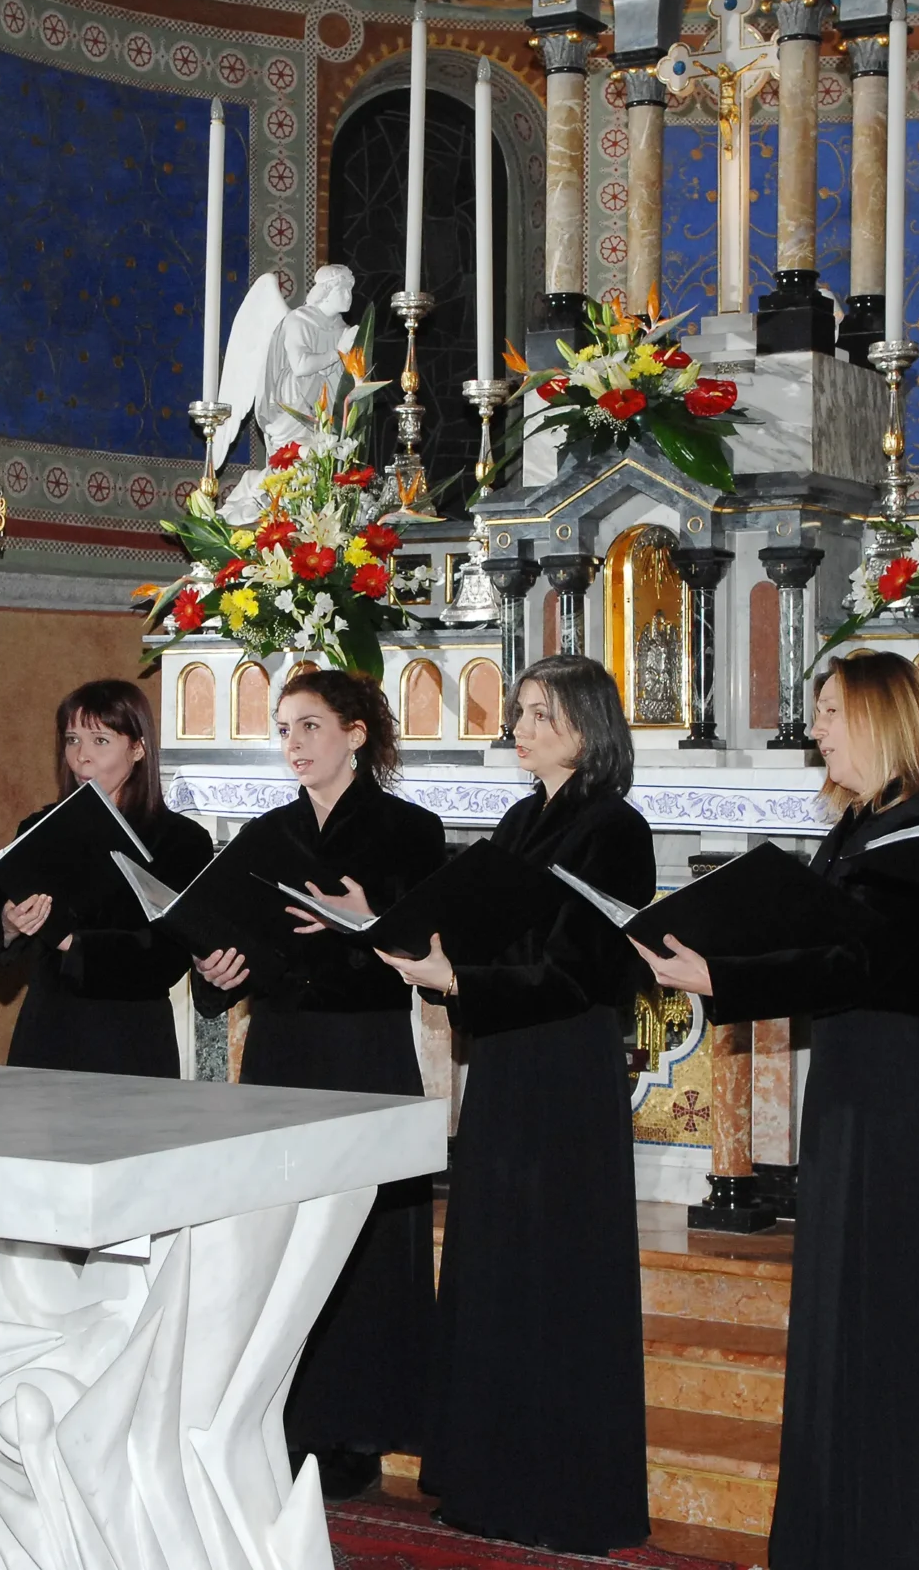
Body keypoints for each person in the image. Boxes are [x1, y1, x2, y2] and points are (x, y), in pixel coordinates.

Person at [633, 652, 919, 1570]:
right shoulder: (859, 827)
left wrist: (723, 976)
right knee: (845, 1328)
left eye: (833, 711)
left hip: (903, 1103)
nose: (819, 729)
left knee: (900, 1334)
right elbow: (819, 942)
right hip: (850, 1092)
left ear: (882, 718)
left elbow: (868, 967)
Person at [375, 655, 652, 1553]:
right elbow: (489, 929)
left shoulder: (617, 828)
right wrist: (435, 955)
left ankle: (561, 1494)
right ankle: (487, 1478)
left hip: (567, 1067)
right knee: (496, 1262)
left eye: (540, 713)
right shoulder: (521, 818)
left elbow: (583, 971)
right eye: (521, 711)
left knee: (558, 1274)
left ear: (588, 725)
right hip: (504, 1059)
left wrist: (462, 978)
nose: (520, 728)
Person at [192, 666, 446, 1498]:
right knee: (279, 1236)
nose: (293, 744)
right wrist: (215, 970)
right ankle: (282, 1415)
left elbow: (423, 955)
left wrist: (369, 922)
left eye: (309, 726)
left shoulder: (411, 830)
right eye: (284, 729)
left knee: (363, 1237)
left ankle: (359, 1427)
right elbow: (220, 942)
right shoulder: (265, 835)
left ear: (355, 733)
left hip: (364, 1054)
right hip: (282, 1051)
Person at [0, 680, 213, 1077]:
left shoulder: (182, 841)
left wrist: (74, 943)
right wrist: (8, 923)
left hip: (130, 1039)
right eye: (72, 740)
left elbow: (166, 957)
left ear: (137, 748)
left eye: (100, 740)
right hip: (46, 1032)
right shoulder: (39, 827)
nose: (81, 756)